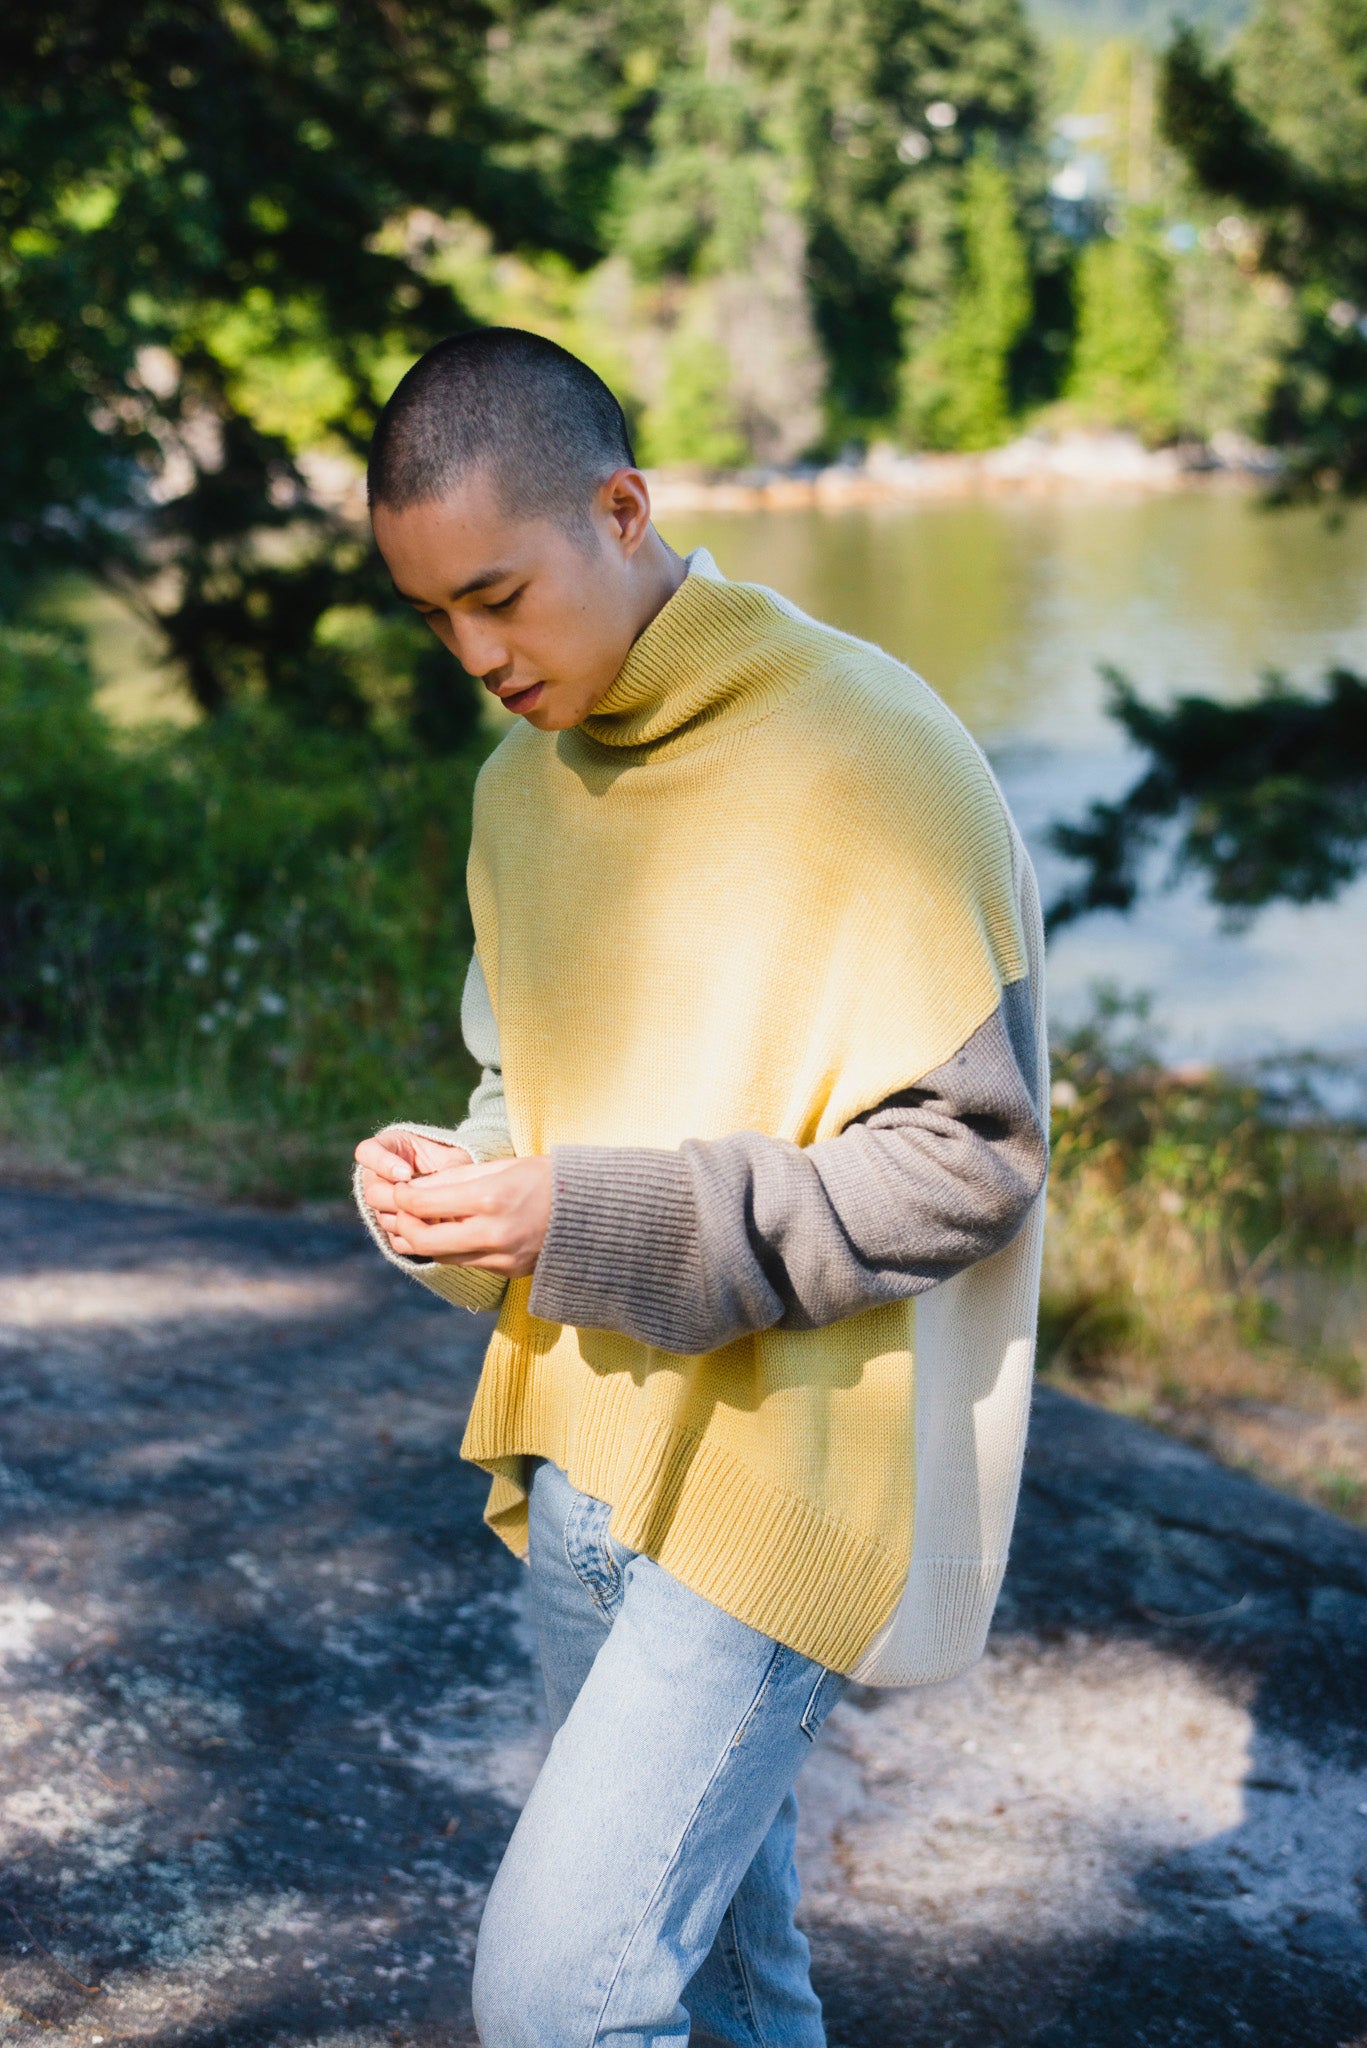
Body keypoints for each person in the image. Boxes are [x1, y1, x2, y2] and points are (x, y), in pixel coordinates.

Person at [354, 327, 1049, 2048]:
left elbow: (971, 1162)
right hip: (583, 1449)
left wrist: (578, 1216)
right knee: (734, 1989)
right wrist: (465, 1185)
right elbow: (535, 1096)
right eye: (437, 617)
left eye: (499, 595)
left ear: (623, 505)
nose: (476, 654)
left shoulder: (875, 754)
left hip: (786, 1479)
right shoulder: (519, 789)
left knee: (560, 1997)